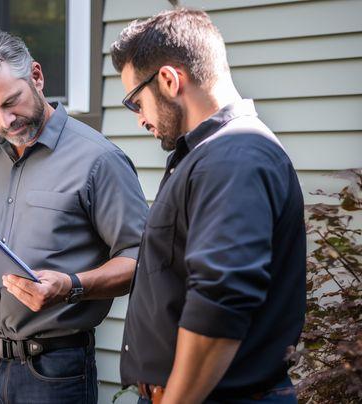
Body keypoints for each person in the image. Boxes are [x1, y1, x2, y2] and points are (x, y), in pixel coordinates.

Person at [0, 30, 149, 403]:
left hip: (54, 372)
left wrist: (71, 285)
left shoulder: (99, 160)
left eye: (12, 102)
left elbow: (142, 260)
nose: (4, 121)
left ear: (37, 77)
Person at [110, 8, 306, 404]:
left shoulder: (235, 156)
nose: (139, 120)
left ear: (168, 79)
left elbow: (221, 301)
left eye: (135, 102)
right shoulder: (208, 154)